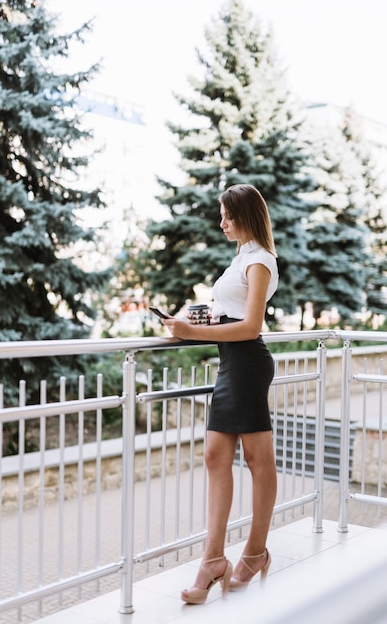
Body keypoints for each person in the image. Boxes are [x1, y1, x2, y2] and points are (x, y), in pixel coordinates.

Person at [162, 184, 278, 605]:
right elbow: (234, 312)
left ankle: (254, 551)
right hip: (233, 363)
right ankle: (214, 560)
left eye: (227, 215)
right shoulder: (242, 257)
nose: (222, 222)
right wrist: (207, 317)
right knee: (215, 456)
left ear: (245, 215)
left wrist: (193, 331)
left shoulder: (261, 260)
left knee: (257, 459)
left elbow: (252, 327)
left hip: (247, 362)